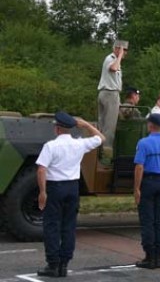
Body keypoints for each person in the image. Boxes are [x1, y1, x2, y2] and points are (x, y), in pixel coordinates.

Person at [35, 112, 104, 277]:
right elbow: (102, 138)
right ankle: (64, 264)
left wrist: (43, 192)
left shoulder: (51, 146)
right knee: (69, 226)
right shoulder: (79, 144)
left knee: (52, 225)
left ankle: (53, 264)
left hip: (55, 187)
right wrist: (86, 124)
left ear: (57, 128)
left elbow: (41, 169)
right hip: (73, 188)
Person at [133, 113, 160, 270]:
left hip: (148, 183)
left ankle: (149, 256)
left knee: (147, 221)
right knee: (159, 221)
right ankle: (158, 256)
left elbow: (139, 166)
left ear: (150, 125)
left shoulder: (144, 143)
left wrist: (137, 188)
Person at [97, 39, 127, 160]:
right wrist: (119, 56)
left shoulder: (113, 59)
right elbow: (114, 68)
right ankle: (106, 157)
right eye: (123, 50)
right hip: (110, 94)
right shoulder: (111, 59)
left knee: (104, 125)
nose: (125, 53)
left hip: (110, 94)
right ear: (117, 49)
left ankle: (101, 152)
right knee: (109, 127)